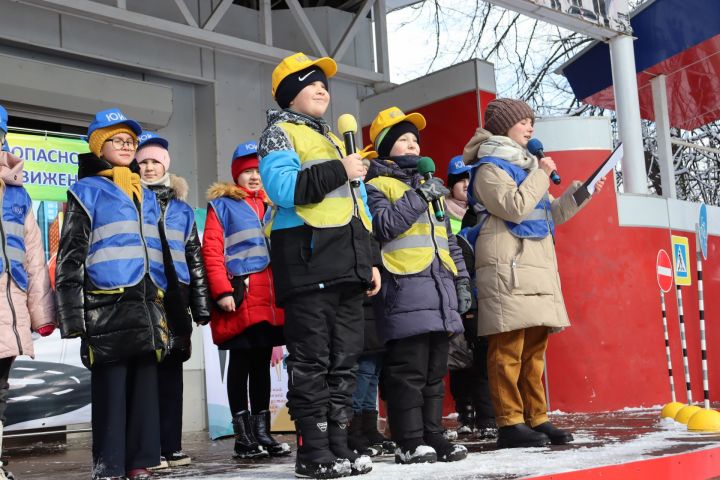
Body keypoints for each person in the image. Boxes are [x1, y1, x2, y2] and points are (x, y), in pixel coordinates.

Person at [258, 52, 380, 478]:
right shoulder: (279, 133)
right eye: (312, 82)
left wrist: (371, 262)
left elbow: (359, 207)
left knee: (344, 362)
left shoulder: (331, 139)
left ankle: (339, 446)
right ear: (290, 93)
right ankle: (313, 453)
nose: (322, 89)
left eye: (325, 83)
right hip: (308, 263)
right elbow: (284, 188)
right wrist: (339, 169)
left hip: (348, 267)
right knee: (312, 362)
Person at [462, 98, 606, 449]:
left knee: (535, 349)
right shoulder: (489, 168)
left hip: (535, 266)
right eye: (523, 121)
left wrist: (580, 194)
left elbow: (545, 216)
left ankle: (536, 417)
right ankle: (510, 421)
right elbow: (513, 207)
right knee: (508, 347)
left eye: (531, 121)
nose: (530, 127)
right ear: (502, 126)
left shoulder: (528, 167)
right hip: (506, 268)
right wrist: (542, 174)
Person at [56, 108, 168, 480]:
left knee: (145, 387)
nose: (126, 147)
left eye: (131, 142)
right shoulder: (85, 192)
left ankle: (140, 462)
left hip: (145, 302)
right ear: (99, 146)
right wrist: (72, 316)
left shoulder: (146, 195)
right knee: (112, 387)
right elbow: (70, 258)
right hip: (106, 305)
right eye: (118, 140)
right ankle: (110, 466)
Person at [363, 106, 470, 464]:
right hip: (403, 291)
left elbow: (448, 240)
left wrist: (461, 282)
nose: (411, 146)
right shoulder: (375, 185)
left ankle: (433, 434)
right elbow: (383, 226)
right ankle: (408, 440)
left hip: (439, 292)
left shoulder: (432, 188)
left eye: (414, 141)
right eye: (402, 140)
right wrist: (419, 196)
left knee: (434, 373)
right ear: (384, 147)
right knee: (407, 371)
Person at [201, 142, 289, 460]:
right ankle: (244, 437)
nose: (254, 177)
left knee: (261, 365)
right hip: (240, 296)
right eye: (247, 171)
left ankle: (263, 433)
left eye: (258, 171)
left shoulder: (275, 205)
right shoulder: (222, 205)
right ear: (237, 175)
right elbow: (211, 250)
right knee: (240, 363)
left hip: (270, 299)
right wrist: (222, 291)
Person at [135, 132, 211, 468]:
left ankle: (171, 444)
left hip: (176, 297)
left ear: (166, 165)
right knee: (146, 369)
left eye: (155, 162)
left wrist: (201, 303)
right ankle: (149, 447)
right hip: (144, 292)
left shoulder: (181, 209)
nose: (149, 168)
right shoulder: (132, 200)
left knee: (172, 368)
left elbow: (194, 255)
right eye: (144, 162)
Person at [0, 105, 56, 480]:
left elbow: (35, 257)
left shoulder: (19, 195)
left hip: (11, 302)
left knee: (0, 387)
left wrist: (42, 313)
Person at [445, 155, 497, 439]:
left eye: (470, 180)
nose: (465, 186)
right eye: (460, 181)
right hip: (451, 293)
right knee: (459, 357)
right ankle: (465, 411)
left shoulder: (482, 213)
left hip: (479, 292)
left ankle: (485, 413)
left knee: (481, 358)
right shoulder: (440, 213)